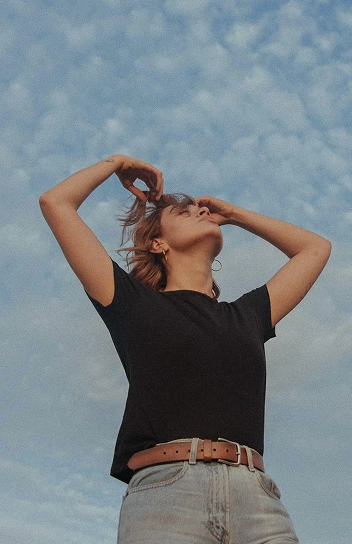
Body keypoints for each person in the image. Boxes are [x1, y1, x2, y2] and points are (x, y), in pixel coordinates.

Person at [39, 154, 331, 544]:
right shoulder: (130, 303)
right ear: (158, 243)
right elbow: (55, 203)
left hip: (258, 502)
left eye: (202, 209)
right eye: (184, 211)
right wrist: (116, 163)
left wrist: (235, 214)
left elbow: (315, 248)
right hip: (167, 497)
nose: (201, 211)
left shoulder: (248, 315)